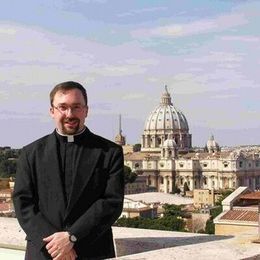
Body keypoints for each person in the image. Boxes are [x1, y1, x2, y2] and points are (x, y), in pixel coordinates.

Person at [13, 81, 125, 260]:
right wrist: (55, 245)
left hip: (92, 250)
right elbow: (23, 203)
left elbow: (111, 202)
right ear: (52, 111)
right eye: (63, 107)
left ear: (86, 110)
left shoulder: (110, 152)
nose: (69, 114)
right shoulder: (31, 153)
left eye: (76, 107)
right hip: (43, 252)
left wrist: (72, 236)